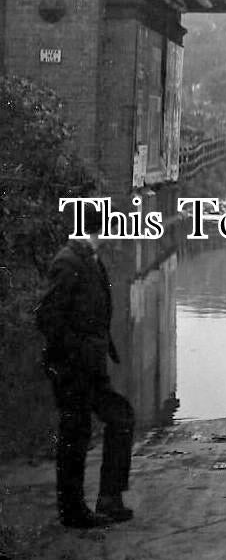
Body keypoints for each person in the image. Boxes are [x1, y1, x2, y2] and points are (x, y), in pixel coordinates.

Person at [34, 205, 135, 528]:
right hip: (72, 369)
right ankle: (73, 510)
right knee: (75, 435)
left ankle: (108, 498)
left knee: (119, 418)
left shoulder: (89, 259)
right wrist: (79, 352)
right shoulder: (68, 262)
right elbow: (48, 317)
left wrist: (99, 349)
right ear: (98, 230)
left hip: (91, 367)